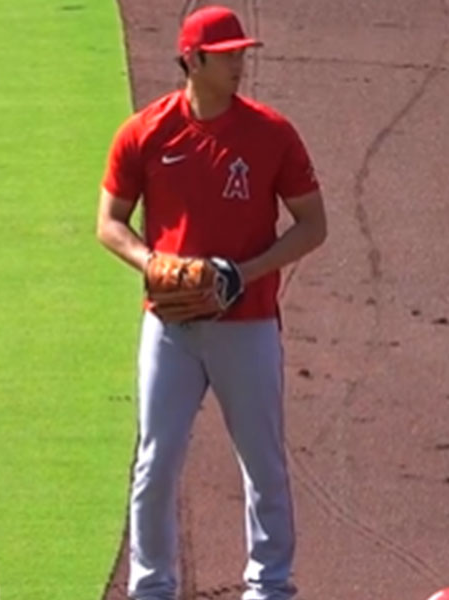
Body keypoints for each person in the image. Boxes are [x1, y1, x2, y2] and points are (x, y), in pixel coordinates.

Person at [96, 5, 327, 600]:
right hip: (170, 325)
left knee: (263, 462)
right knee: (156, 460)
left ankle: (270, 587)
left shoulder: (271, 134)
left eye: (242, 53)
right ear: (192, 59)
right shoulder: (145, 132)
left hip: (246, 324)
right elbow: (110, 223)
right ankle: (151, 588)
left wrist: (240, 274)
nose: (240, 63)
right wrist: (154, 264)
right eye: (228, 55)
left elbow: (312, 225)